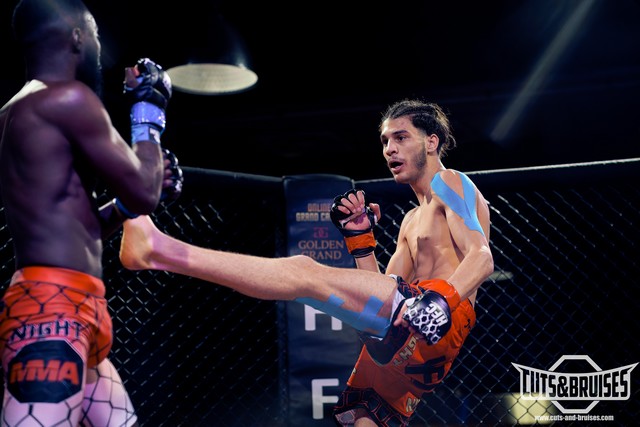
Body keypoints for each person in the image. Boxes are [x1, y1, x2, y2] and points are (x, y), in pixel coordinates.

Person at [118, 99, 493, 426]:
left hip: (444, 316)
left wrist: (441, 301)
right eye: (384, 141)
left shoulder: (450, 182)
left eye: (401, 137)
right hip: (416, 339)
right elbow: (378, 304)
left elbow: (481, 257)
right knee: (365, 416)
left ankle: (160, 250)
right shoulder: (411, 221)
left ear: (432, 141)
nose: (389, 149)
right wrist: (360, 242)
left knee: (303, 273)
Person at [0, 0, 181, 426]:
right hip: (50, 313)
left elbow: (79, 226)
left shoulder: (16, 111)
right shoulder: (69, 99)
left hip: (71, 303)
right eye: (96, 35)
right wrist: (149, 108)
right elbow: (145, 192)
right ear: (78, 37)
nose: (100, 48)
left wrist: (123, 205)